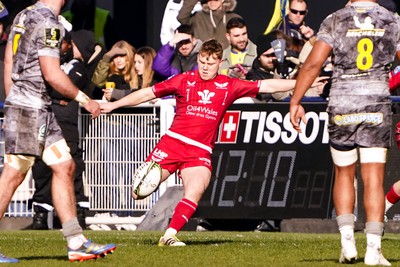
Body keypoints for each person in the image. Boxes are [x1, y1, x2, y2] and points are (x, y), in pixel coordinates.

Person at [100, 39, 325, 246]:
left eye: (211, 62)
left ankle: (169, 235)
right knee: (137, 193)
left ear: (220, 62)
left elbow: (267, 87)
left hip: (199, 151)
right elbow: (147, 93)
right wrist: (113, 105)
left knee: (196, 190)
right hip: (172, 145)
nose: (206, 67)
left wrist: (301, 82)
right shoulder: (184, 80)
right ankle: (152, 203)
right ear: (198, 60)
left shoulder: (229, 85)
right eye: (202, 62)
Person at [0, 0, 116, 263]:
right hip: (32, 108)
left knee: (65, 166)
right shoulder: (49, 23)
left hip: (34, 107)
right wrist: (86, 100)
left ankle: (76, 242)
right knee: (12, 176)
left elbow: (9, 60)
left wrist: (13, 99)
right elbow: (52, 74)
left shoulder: (23, 15)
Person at [289, 0, 400, 265]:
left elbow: (313, 64)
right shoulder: (392, 20)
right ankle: (373, 249)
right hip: (376, 101)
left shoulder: (336, 18)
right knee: (373, 176)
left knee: (344, 172)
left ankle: (347, 242)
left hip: (343, 102)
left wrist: (295, 100)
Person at [31, 30, 96, 230]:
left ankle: (78, 215)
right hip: (45, 122)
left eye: (63, 43)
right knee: (42, 169)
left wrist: (55, 91)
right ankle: (41, 217)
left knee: (71, 169)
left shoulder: (78, 68)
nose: (58, 47)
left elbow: (63, 88)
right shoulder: (50, 64)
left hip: (66, 127)